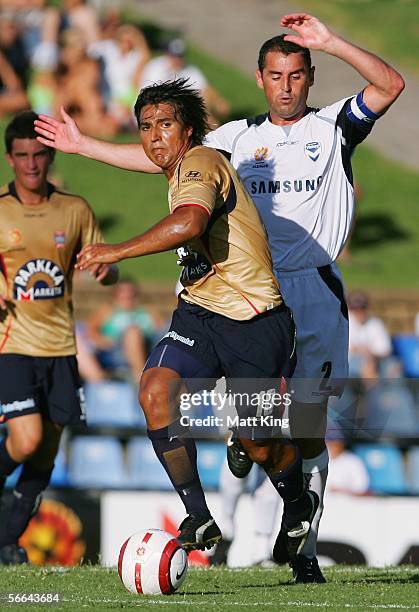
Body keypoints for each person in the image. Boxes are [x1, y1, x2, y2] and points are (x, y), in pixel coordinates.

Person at [33, 13, 404, 582]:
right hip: (242, 292)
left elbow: (389, 85)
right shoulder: (234, 140)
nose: (286, 85)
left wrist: (330, 42)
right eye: (276, 74)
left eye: (297, 74)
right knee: (250, 423)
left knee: (307, 427)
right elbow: (163, 155)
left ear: (309, 78)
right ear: (259, 78)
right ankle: (241, 449)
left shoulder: (333, 129)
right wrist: (86, 147)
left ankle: (302, 544)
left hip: (309, 291)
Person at [74, 78, 318, 556]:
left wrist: (117, 249)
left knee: (259, 444)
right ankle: (199, 516)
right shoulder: (177, 165)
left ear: (188, 131)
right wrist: (80, 143)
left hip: (254, 321)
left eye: (165, 124)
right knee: (154, 390)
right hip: (199, 314)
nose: (154, 136)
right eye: (146, 127)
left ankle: (298, 497)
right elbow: (144, 161)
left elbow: (190, 222)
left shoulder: (202, 162)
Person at [0, 110, 117, 565]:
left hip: (61, 349)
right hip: (12, 346)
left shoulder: (75, 209)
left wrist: (107, 269)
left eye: (39, 155)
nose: (31, 164)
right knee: (25, 439)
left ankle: (8, 543)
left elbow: (105, 266)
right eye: (22, 156)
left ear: (50, 156)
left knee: (45, 454)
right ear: (10, 159)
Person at [348, 290, 392, 382]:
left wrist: (369, 357)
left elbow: (385, 350)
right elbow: (347, 350)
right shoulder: (345, 323)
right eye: (355, 308)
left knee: (393, 367)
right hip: (351, 364)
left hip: (375, 361)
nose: (359, 311)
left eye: (362, 308)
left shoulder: (375, 323)